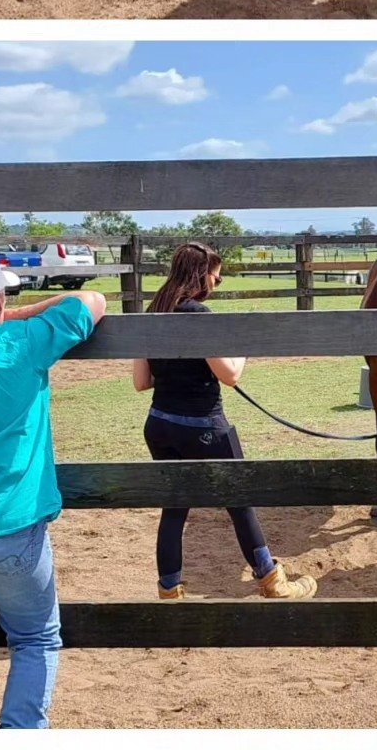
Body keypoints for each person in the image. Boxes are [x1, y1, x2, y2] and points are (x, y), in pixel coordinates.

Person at [0, 250, 106, 730]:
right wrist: (13, 312)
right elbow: (92, 299)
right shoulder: (21, 342)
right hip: (10, 527)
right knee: (35, 640)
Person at [131, 243, 317, 601]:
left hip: (159, 424)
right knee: (239, 500)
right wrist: (243, 345)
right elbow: (229, 374)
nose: (216, 282)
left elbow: (141, 382)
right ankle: (271, 579)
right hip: (203, 426)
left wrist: (175, 372)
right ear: (201, 274)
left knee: (174, 507)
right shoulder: (199, 315)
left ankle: (169, 589)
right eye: (215, 274)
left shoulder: (152, 311)